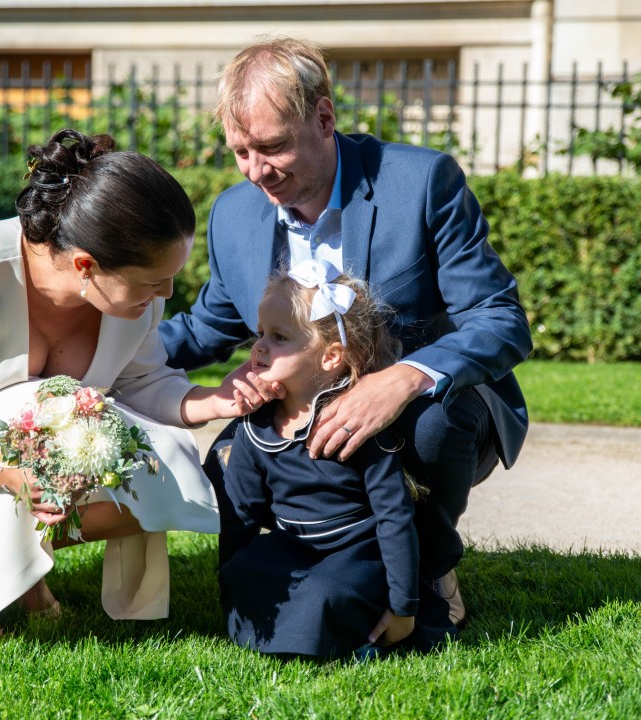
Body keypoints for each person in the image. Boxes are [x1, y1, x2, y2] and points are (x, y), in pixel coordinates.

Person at [160, 37, 533, 626]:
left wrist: (403, 379)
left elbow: (500, 318)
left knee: (433, 427)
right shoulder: (233, 214)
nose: (256, 172)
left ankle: (429, 567)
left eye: (272, 147)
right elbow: (208, 325)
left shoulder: (422, 181)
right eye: (241, 152)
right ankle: (316, 557)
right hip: (299, 410)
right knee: (230, 457)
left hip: (427, 412)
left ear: (324, 118)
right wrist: (97, 356)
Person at [0, 129, 262, 640]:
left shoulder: (137, 300)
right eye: (154, 281)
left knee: (166, 460)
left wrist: (216, 401)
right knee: (43, 399)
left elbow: (142, 381)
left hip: (39, 444)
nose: (167, 293)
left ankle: (17, 566)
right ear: (86, 265)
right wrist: (13, 475)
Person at [219, 259, 456, 659]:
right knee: (244, 573)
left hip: (356, 552)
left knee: (326, 590)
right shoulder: (255, 425)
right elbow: (239, 515)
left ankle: (359, 637)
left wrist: (404, 607)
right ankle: (303, 630)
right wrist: (229, 582)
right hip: (293, 545)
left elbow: (394, 517)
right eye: (260, 334)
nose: (259, 347)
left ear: (330, 357)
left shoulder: (354, 423)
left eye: (279, 337)